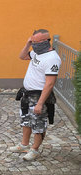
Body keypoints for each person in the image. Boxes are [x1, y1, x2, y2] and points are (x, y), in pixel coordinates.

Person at [9, 29, 61, 161]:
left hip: (39, 96)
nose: (33, 45)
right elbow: (22, 56)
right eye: (32, 42)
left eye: (35, 42)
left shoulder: (52, 58)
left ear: (44, 41)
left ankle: (35, 149)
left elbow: (50, 83)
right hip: (27, 94)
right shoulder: (37, 52)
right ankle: (24, 144)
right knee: (26, 120)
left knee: (38, 124)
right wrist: (27, 44)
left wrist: (40, 103)